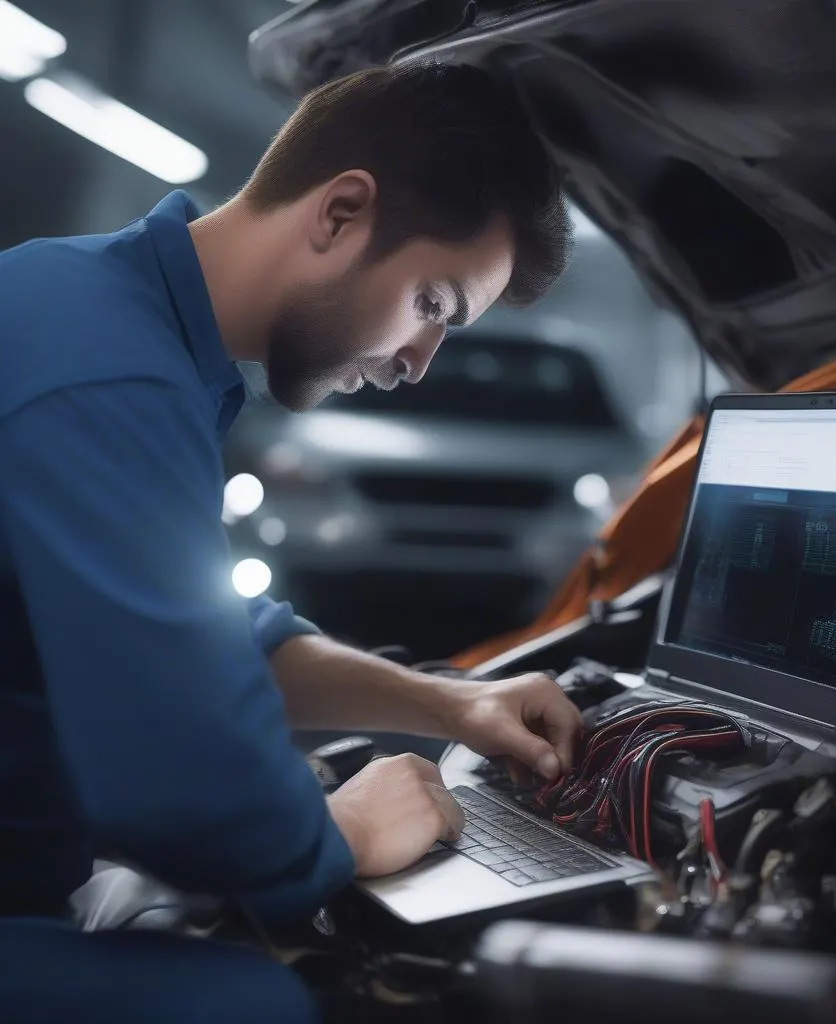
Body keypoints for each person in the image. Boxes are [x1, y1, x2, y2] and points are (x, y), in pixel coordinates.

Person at [0, 61, 578, 1022]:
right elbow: (177, 788)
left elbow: (198, 636)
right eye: (433, 303)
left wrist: (451, 704)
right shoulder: (105, 375)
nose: (416, 366)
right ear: (341, 212)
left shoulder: (102, 317)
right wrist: (337, 836)